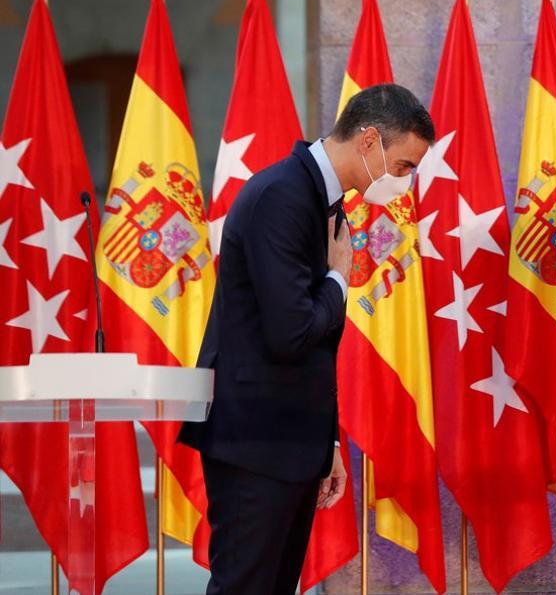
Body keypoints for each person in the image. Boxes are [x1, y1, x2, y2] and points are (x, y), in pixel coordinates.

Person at [178, 83, 434, 595]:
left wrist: (328, 441)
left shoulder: (322, 200)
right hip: (256, 440)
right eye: (404, 165)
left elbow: (315, 347)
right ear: (368, 142)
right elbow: (291, 332)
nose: (405, 182)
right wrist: (340, 278)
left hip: (288, 438)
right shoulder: (283, 195)